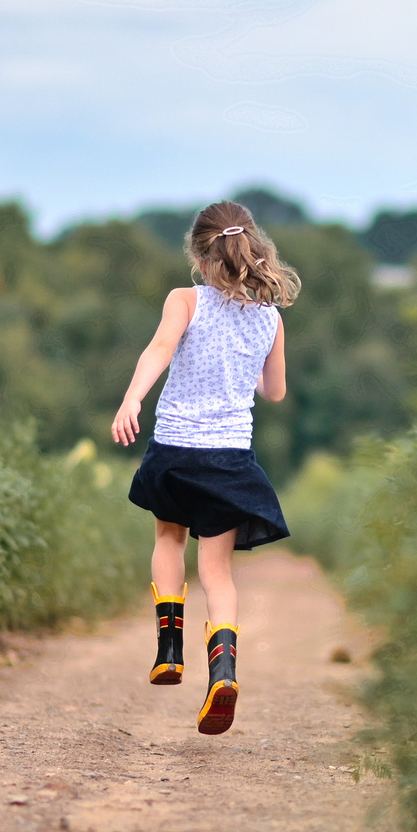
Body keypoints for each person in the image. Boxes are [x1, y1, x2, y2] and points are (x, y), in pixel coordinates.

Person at [110, 200, 301, 734]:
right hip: (229, 457)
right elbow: (276, 392)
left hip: (174, 448)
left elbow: (160, 348)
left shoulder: (184, 299)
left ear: (199, 255)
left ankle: (169, 653)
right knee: (216, 571)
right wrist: (249, 369)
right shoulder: (271, 319)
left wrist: (132, 400)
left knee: (169, 541)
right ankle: (223, 674)